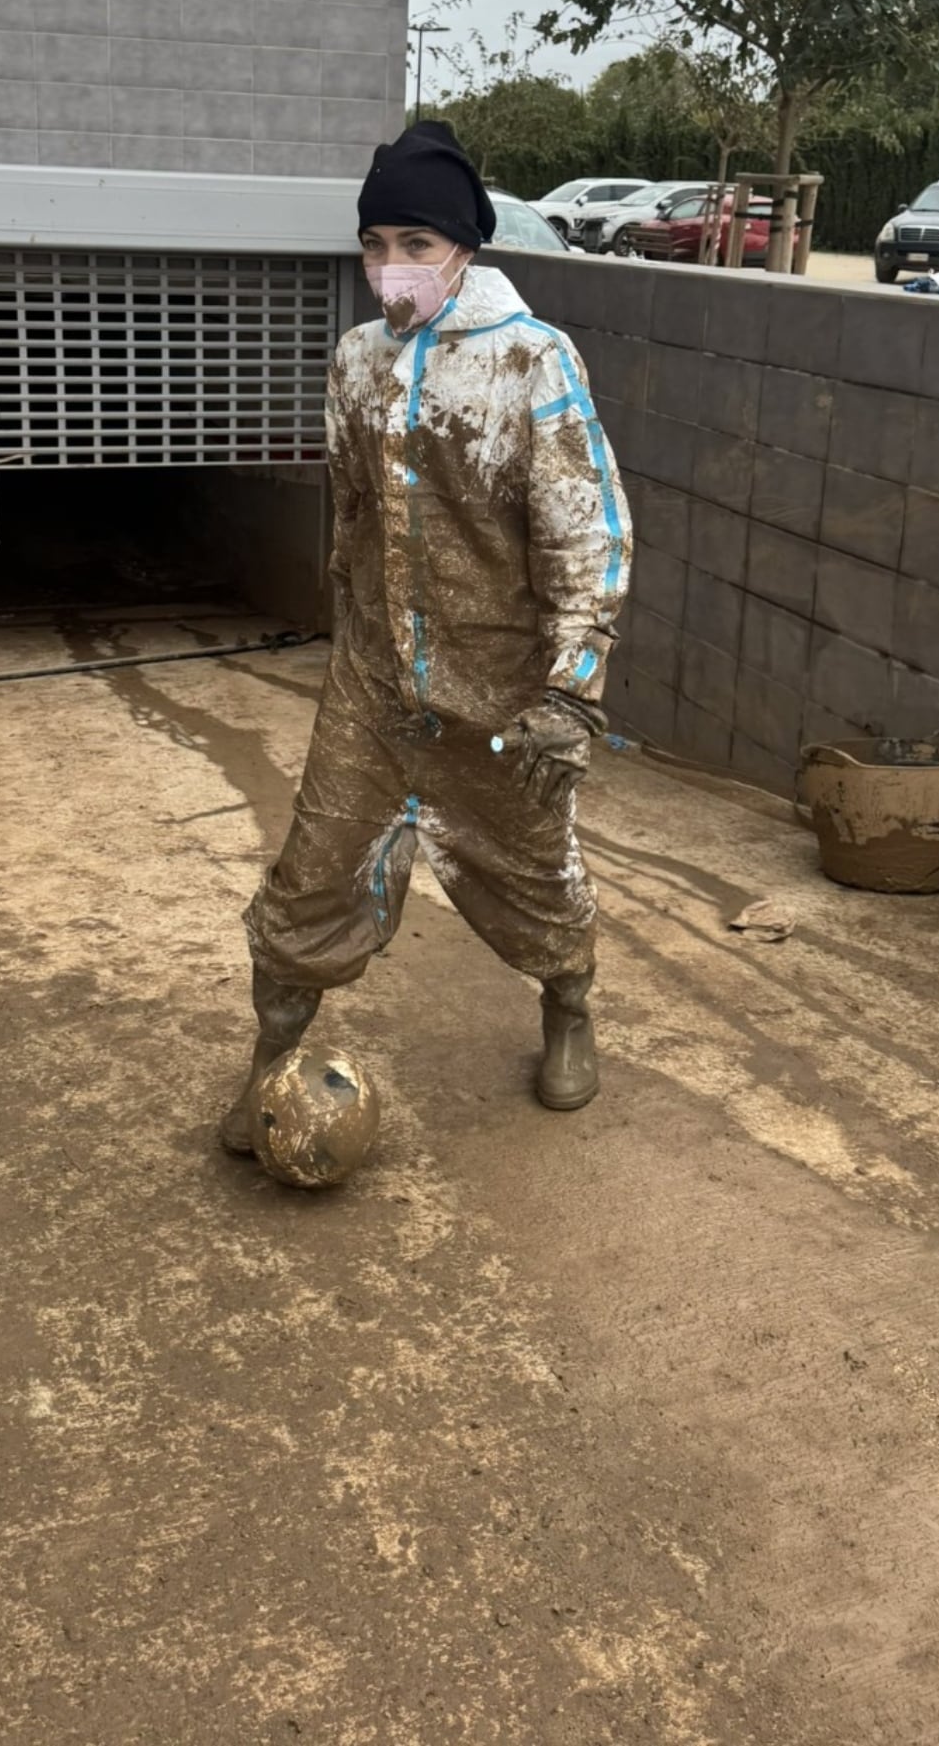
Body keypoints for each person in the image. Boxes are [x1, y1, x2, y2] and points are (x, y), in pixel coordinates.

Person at [221, 120, 633, 1153]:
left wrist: (571, 686)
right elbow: (351, 509)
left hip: (496, 691)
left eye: (414, 242)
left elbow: (590, 527)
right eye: (376, 243)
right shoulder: (356, 362)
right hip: (373, 687)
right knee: (311, 872)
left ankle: (568, 1006)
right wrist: (344, 634)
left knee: (532, 869)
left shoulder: (533, 361)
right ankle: (270, 1066)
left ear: (463, 246)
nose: (391, 266)